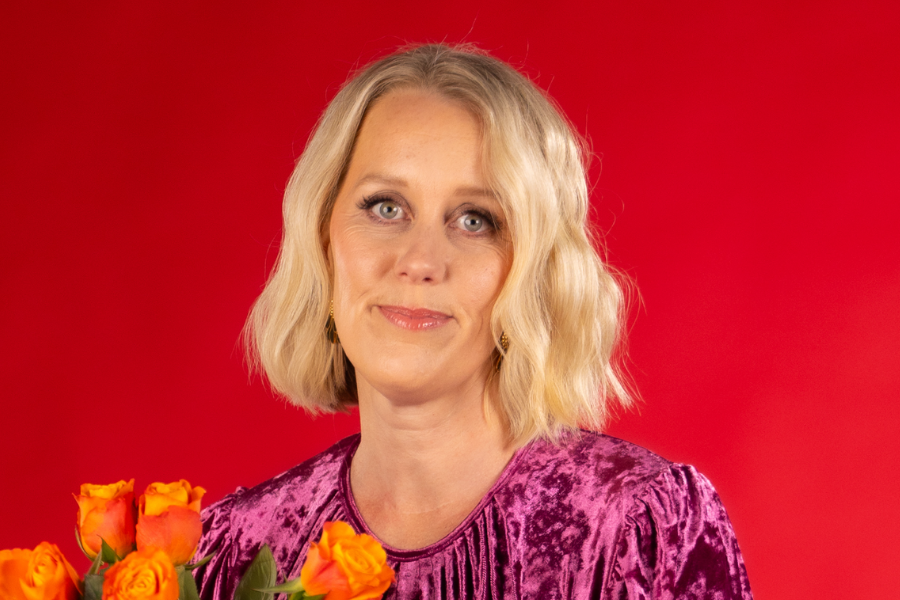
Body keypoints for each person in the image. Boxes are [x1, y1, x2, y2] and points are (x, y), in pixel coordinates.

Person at [194, 43, 752, 599]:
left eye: (474, 219)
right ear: (322, 236)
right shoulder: (237, 550)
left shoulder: (634, 528)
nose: (419, 262)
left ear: (534, 270)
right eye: (385, 206)